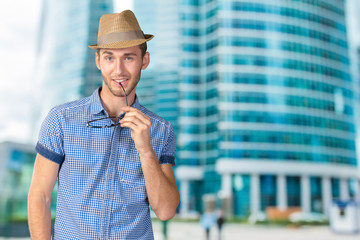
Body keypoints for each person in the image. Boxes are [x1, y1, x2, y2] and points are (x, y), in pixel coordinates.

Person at [28, 10, 180, 239]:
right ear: (98, 61)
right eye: (110, 57)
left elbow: (166, 210)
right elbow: (40, 196)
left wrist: (146, 151)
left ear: (144, 61)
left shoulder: (161, 130)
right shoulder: (61, 120)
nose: (119, 70)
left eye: (128, 57)